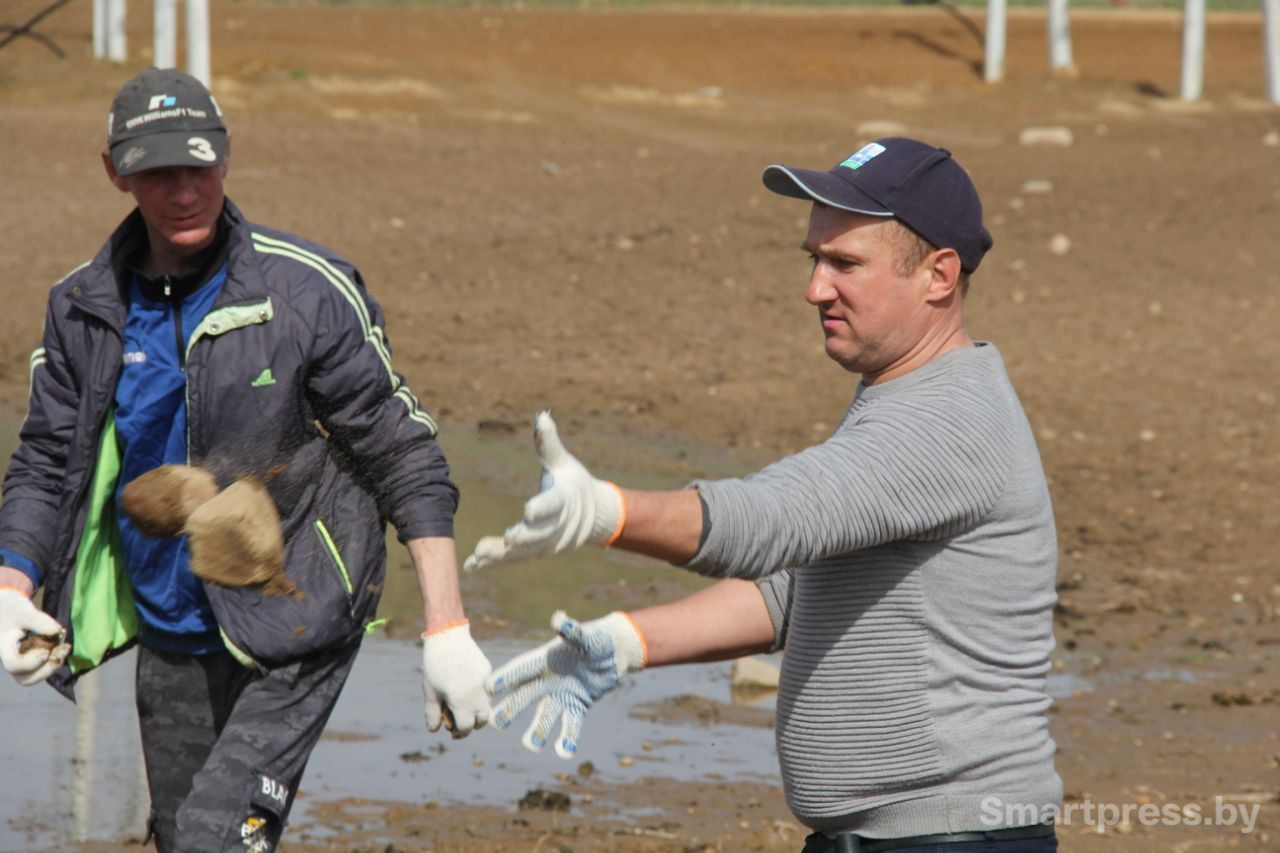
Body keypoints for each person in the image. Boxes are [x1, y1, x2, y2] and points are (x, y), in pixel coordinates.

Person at [466, 137, 1063, 852]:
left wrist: (605, 511)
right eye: (814, 259)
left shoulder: (949, 419)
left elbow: (774, 519)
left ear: (938, 275)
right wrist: (626, 642)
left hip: (952, 839)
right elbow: (795, 588)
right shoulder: (907, 394)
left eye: (844, 263)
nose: (815, 287)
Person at [0, 67, 492, 852]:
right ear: (114, 171)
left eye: (198, 166)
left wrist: (448, 625)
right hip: (169, 622)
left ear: (226, 158)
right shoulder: (84, 307)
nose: (183, 190)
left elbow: (405, 453)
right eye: (158, 172)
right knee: (182, 835)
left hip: (301, 615)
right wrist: (11, 584)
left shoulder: (305, 293)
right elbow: (46, 456)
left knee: (213, 836)